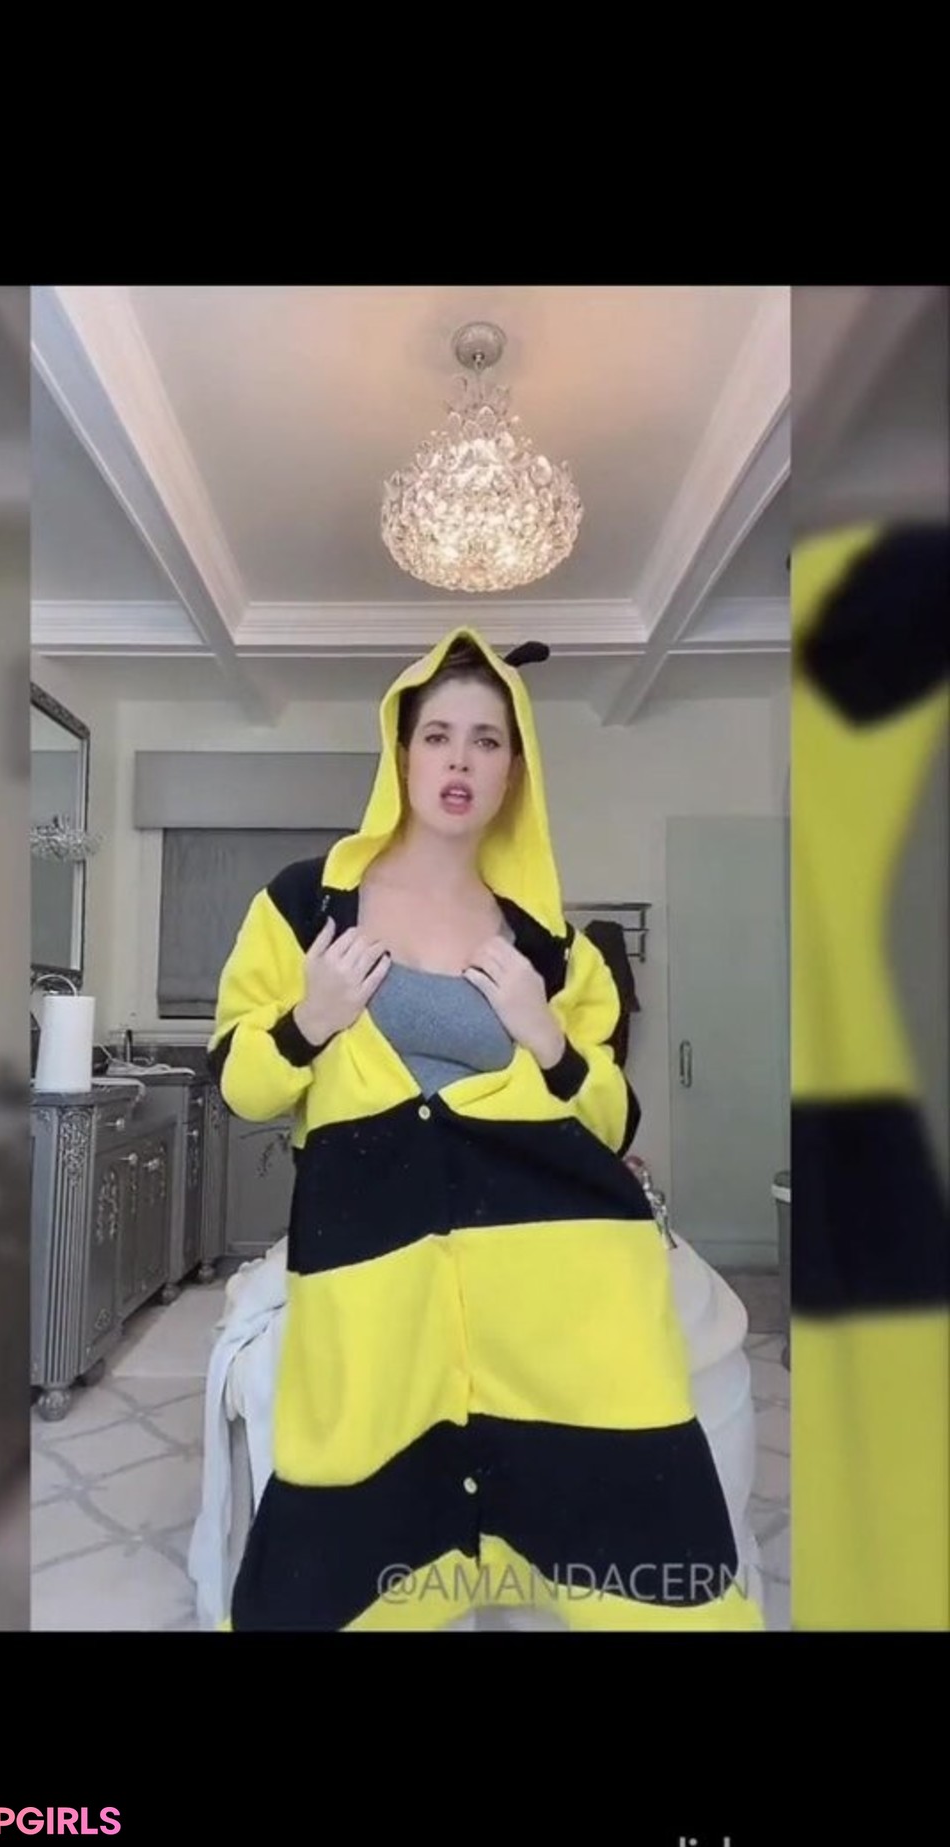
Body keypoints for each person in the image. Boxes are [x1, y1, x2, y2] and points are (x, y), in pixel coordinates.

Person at [208, 626, 763, 1632]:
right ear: (402, 753)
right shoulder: (305, 905)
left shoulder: (549, 946)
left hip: (546, 1248)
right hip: (371, 1243)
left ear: (515, 771)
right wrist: (309, 1019)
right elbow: (243, 1089)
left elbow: (610, 1120)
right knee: (345, 1513)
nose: (460, 760)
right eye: (438, 736)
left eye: (487, 740)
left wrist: (544, 1034)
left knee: (622, 1451)